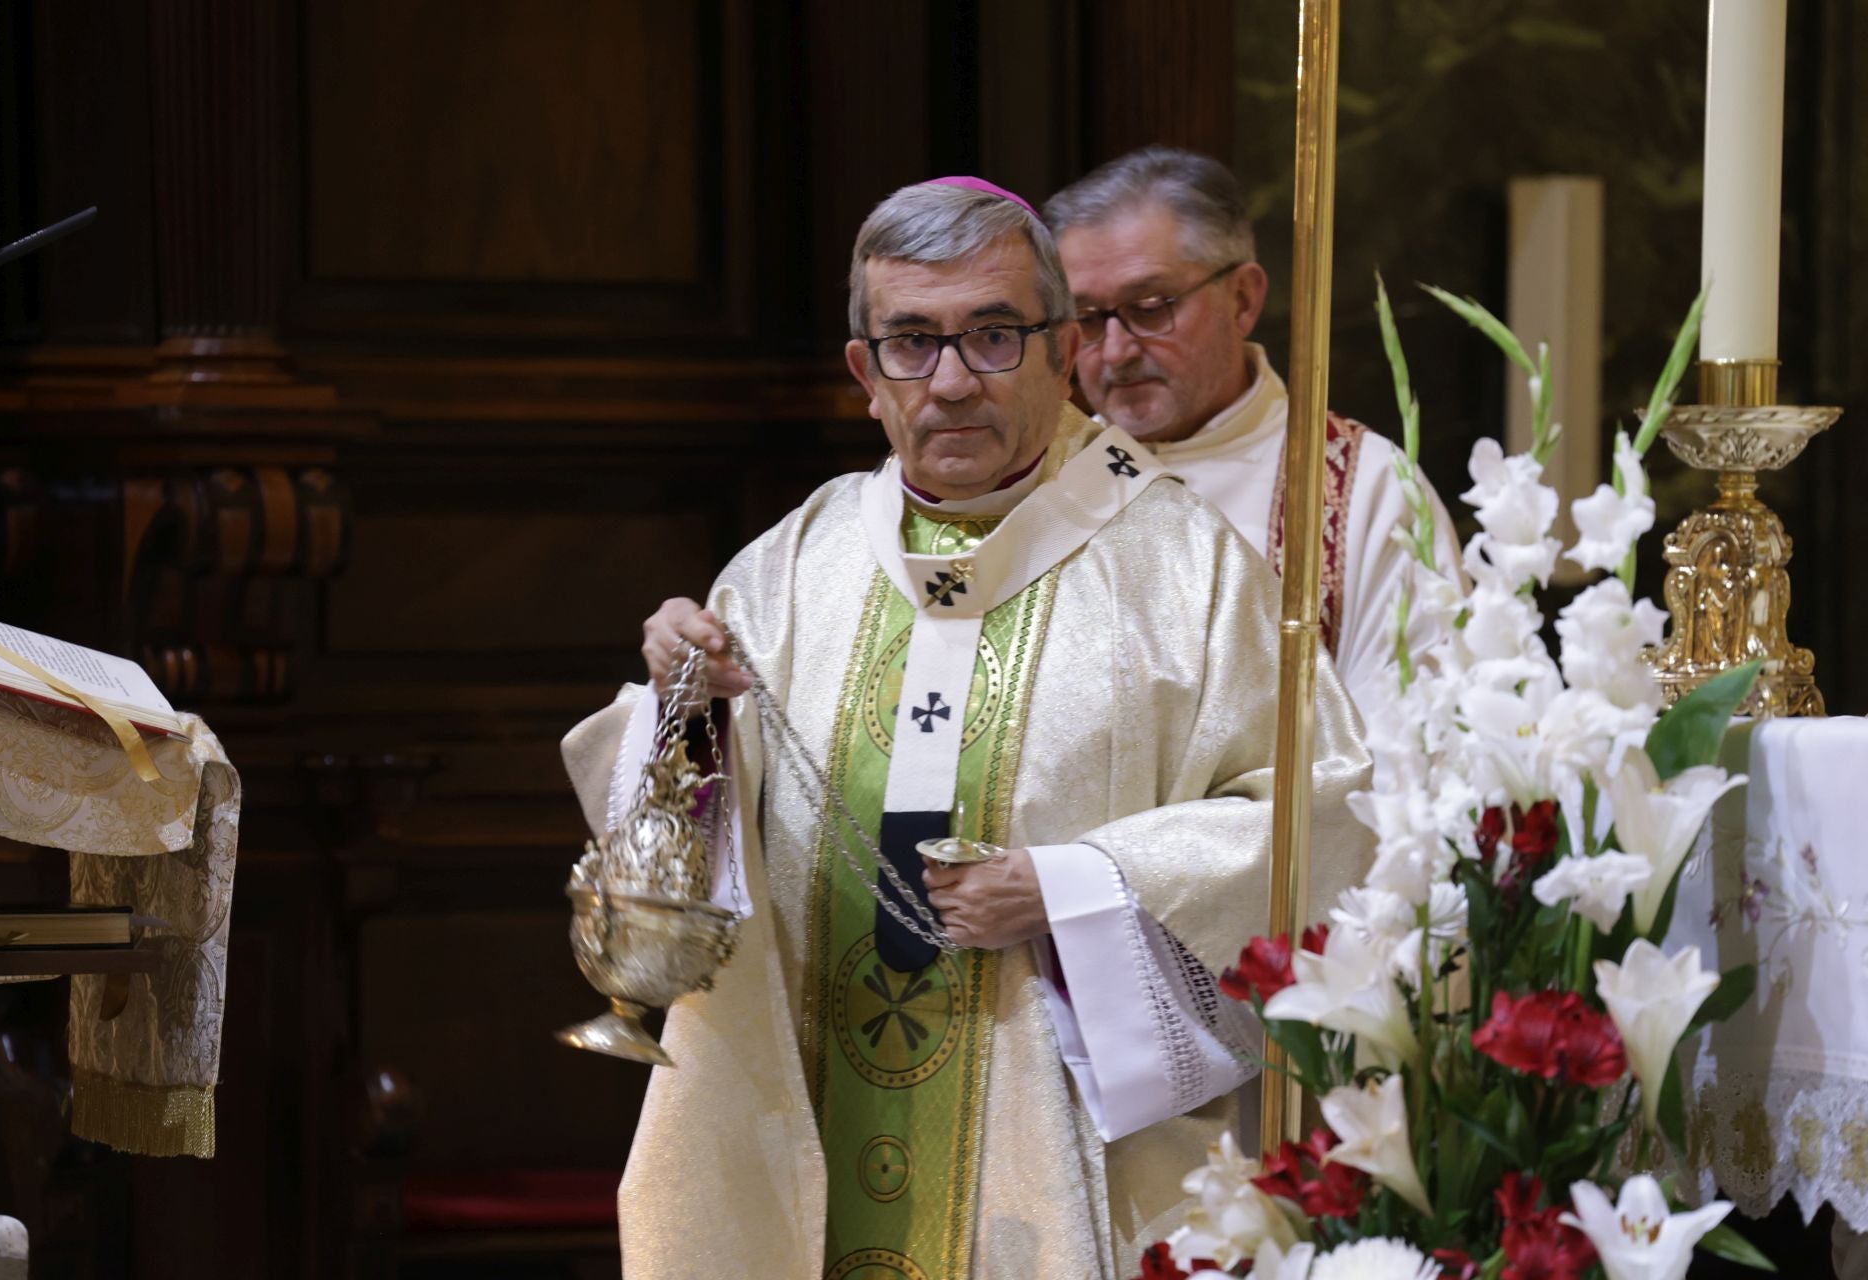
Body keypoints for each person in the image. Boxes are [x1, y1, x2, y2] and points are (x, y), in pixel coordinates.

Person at [563, 177, 1372, 1279]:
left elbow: (1320, 820)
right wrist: (679, 706)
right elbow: (676, 873)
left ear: (1062, 348)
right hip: (816, 1128)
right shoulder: (794, 566)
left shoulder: (1190, 576)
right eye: (911, 341)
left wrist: (1076, 886)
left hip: (1066, 1158)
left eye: (993, 335)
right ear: (865, 372)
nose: (951, 382)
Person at [1045, 146, 1465, 723]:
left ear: (1242, 299)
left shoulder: (1365, 489)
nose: (1115, 351)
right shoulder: (1041, 482)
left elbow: (1407, 752)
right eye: (1087, 318)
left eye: (1149, 307)